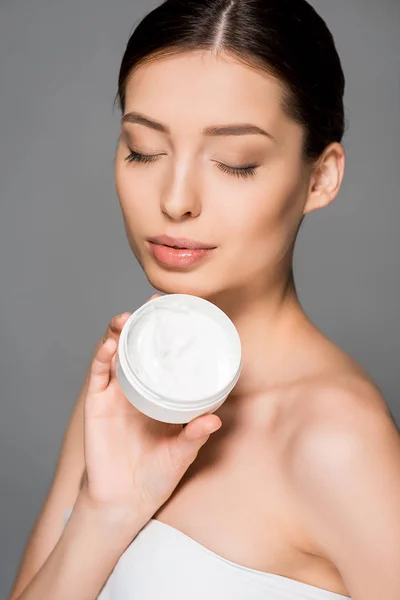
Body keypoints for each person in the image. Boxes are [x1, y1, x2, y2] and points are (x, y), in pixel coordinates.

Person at [8, 0, 400, 599]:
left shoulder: (337, 442)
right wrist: (104, 512)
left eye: (235, 163)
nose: (175, 199)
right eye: (143, 149)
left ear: (319, 177)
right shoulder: (130, 379)